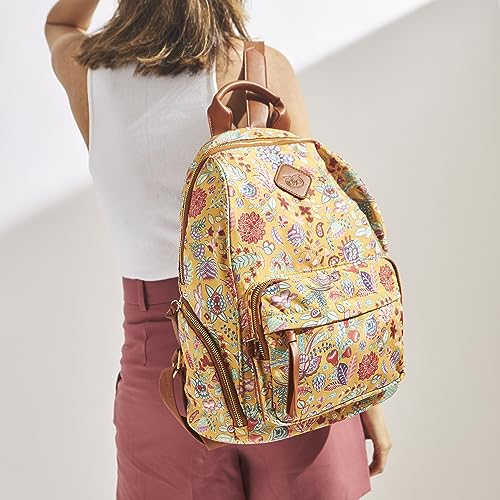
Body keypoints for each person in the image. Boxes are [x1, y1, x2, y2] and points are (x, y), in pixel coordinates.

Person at [44, 1, 393, 499]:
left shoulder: (88, 73)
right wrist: (364, 396)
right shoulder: (258, 70)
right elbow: (317, 246)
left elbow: (61, 23)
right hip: (286, 355)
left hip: (161, 372)